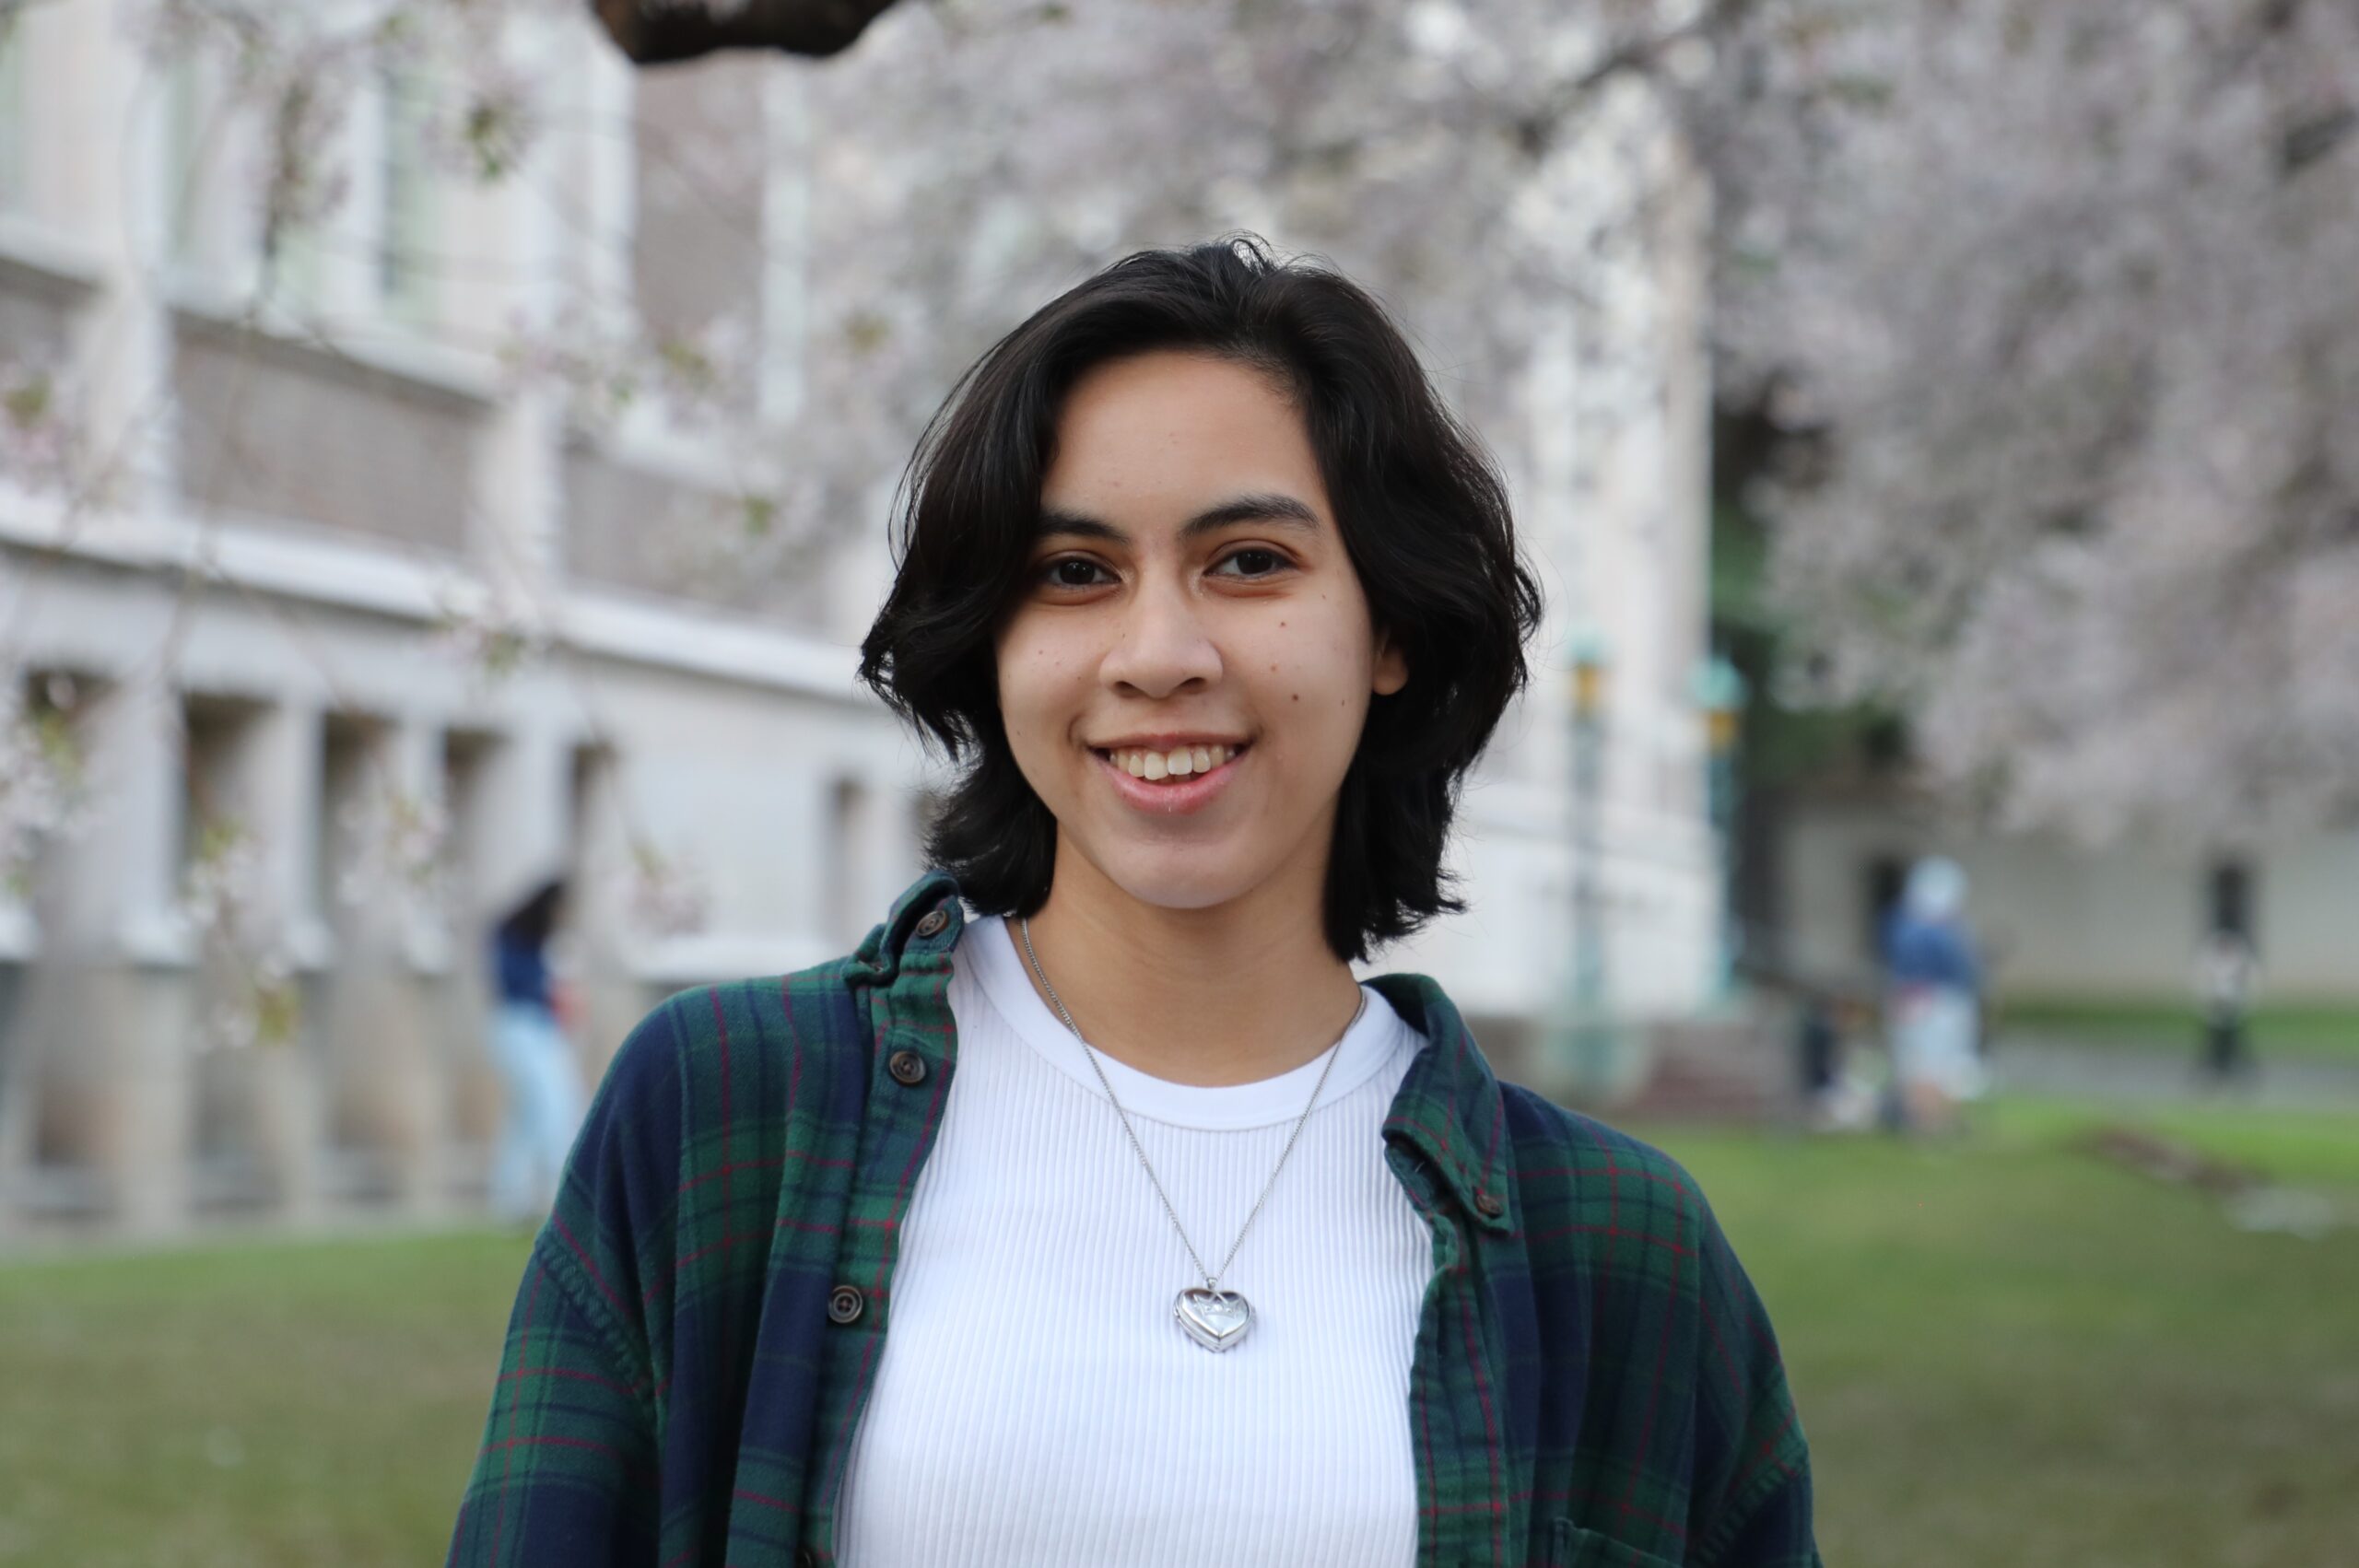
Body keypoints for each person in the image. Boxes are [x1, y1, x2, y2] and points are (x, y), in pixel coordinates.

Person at [446, 239, 1819, 1567]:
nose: (1158, 653)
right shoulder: (723, 1116)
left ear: (1390, 626)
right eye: (1075, 575)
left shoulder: (1622, 1249)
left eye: (1248, 562)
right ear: (994, 639)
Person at [483, 876, 585, 1224]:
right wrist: (549, 993)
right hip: (520, 1027)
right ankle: (556, 1193)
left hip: (543, 1028)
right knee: (549, 1107)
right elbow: (510, 983)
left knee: (532, 1115)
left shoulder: (548, 944)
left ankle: (513, 1197)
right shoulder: (511, 934)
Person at [1880, 856, 1984, 1135]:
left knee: (1930, 1063)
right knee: (1930, 1064)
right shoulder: (1925, 929)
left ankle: (1932, 1121)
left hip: (1924, 1002)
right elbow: (1956, 968)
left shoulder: (1904, 924)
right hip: (1935, 1004)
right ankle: (1928, 1123)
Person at [2193, 926, 2259, 1084]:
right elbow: (2202, 982)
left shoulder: (2240, 961)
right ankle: (2213, 1067)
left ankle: (2237, 1067)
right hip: (2215, 1007)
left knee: (2235, 1040)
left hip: (2233, 1007)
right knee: (2213, 1041)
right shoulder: (2211, 961)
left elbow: (2250, 982)